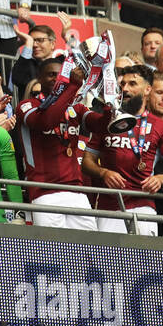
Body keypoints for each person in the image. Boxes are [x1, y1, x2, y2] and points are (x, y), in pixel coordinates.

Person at [82, 67, 163, 237]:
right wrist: (104, 172)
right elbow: (86, 163)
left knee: (143, 262)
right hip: (109, 206)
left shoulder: (162, 126)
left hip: (143, 205)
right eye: (122, 84)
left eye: (132, 84)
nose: (125, 89)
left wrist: (160, 179)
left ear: (148, 89)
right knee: (108, 262)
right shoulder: (107, 121)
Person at [16, 55, 113, 231]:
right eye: (50, 74)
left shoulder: (75, 108)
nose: (55, 78)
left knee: (88, 253)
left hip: (77, 193)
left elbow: (101, 125)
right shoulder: (27, 105)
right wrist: (73, 86)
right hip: (45, 192)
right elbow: (46, 121)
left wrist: (109, 107)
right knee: (54, 253)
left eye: (59, 74)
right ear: (39, 78)